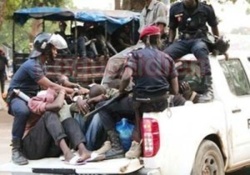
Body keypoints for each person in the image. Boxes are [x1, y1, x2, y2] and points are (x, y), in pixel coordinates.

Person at [6, 32, 85, 165]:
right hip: (17, 95)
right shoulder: (32, 65)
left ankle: (77, 149)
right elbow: (50, 85)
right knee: (23, 111)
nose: (56, 52)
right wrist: (75, 91)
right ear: (45, 49)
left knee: (63, 117)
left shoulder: (41, 64)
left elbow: (51, 86)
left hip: (31, 95)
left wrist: (70, 91)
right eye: (53, 48)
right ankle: (16, 149)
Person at [119, 25, 186, 158]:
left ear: (146, 40)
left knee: (104, 108)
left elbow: (126, 76)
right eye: (160, 38)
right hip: (161, 103)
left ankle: (121, 144)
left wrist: (121, 90)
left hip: (141, 103)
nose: (161, 41)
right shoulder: (167, 58)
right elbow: (175, 90)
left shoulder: (135, 55)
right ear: (155, 39)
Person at [22, 88, 97, 165]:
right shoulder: (35, 102)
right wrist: (62, 91)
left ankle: (83, 151)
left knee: (69, 121)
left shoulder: (60, 102)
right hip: (32, 148)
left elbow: (75, 104)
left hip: (49, 148)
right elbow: (57, 105)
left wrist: (78, 99)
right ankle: (67, 153)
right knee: (49, 114)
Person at [164, 0, 220, 103]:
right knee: (165, 56)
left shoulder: (206, 8)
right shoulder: (175, 8)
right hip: (183, 41)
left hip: (199, 39)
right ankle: (165, 87)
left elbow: (214, 26)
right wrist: (170, 43)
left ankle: (208, 89)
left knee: (201, 50)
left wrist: (217, 43)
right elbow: (172, 28)